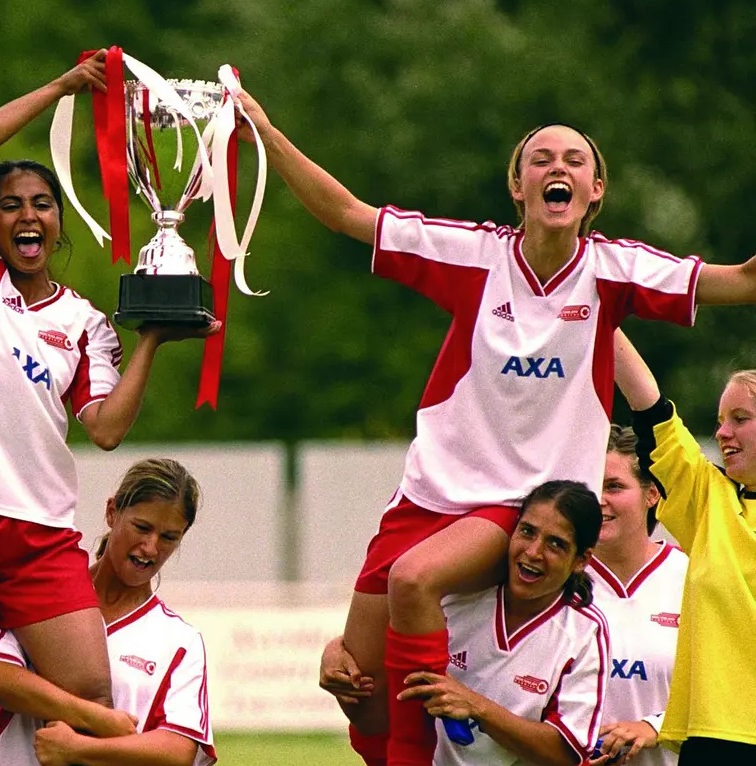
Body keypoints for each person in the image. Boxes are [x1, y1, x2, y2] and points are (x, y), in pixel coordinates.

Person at [237, 90, 756, 765]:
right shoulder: (474, 254)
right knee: (357, 686)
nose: (555, 166)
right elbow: (343, 213)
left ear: (595, 190)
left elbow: (743, 281)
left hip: (525, 507)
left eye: (573, 159)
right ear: (518, 185)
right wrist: (265, 131)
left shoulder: (612, 269)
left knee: (415, 581)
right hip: (427, 496)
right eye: (540, 158)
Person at [0, 51, 218, 764]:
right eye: (11, 205)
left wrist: (154, 341)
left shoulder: (87, 323)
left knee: (92, 701)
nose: (27, 214)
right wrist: (66, 87)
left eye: (41, 204)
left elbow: (103, 429)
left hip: (40, 536)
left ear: (58, 223)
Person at [0, 457, 215, 766]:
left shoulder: (180, 641)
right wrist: (97, 718)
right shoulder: (42, 587)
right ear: (112, 512)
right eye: (142, 528)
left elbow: (179, 749)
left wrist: (77, 749)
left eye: (169, 537)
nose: (151, 547)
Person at [613, 330, 756, 763]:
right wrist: (599, 301)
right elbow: (651, 410)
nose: (722, 432)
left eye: (740, 418)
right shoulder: (709, 499)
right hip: (717, 740)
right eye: (720, 420)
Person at [395, 480, 609, 766]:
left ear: (581, 559)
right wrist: (342, 648)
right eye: (527, 531)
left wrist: (477, 707)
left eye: (555, 544)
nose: (533, 552)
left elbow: (566, 754)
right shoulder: (455, 598)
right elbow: (397, 631)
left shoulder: (584, 633)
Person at [586, 425, 687, 766]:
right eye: (590, 486)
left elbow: (731, 689)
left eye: (613, 486)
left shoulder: (693, 575)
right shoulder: (555, 578)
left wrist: (655, 725)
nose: (598, 499)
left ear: (652, 493)